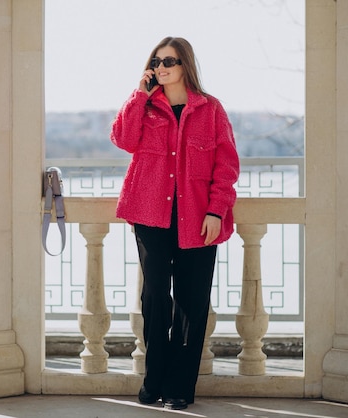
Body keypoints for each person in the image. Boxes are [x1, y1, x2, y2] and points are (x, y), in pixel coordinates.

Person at [110, 36, 240, 410]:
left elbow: (227, 167)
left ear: (186, 65)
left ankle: (180, 387)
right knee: (154, 298)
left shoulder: (210, 110)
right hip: (151, 215)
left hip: (198, 220)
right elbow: (122, 138)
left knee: (192, 302)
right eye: (157, 61)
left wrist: (216, 210)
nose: (162, 66)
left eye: (170, 60)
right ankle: (155, 379)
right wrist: (139, 93)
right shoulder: (146, 106)